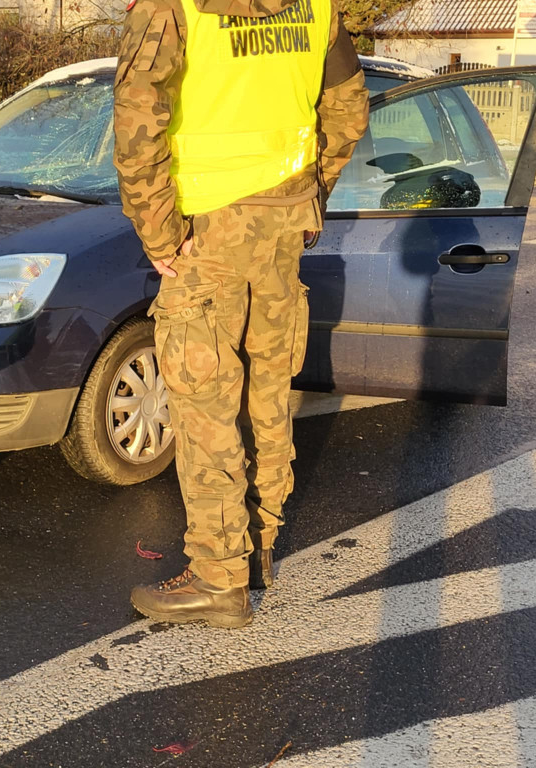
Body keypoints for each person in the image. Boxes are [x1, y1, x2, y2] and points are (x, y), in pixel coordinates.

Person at [115, 0, 369, 627]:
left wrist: (159, 233)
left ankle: (218, 576)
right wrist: (308, 197)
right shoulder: (317, 7)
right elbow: (349, 113)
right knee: (268, 392)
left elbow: (137, 122)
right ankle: (260, 550)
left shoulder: (172, 7)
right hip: (282, 227)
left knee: (204, 405)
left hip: (208, 233)